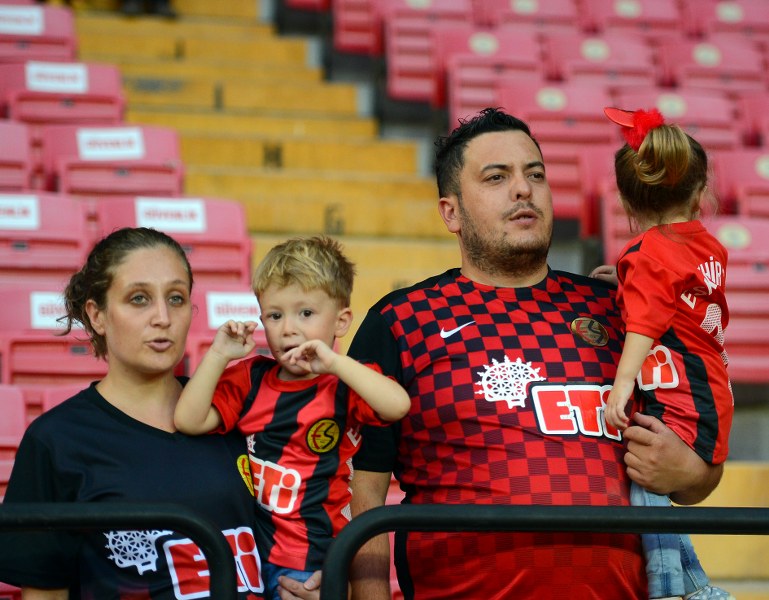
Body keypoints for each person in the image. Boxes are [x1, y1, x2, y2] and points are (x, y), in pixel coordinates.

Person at [346, 108, 724, 600]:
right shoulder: (400, 321)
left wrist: (689, 471)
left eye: (536, 174)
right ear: (451, 212)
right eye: (496, 177)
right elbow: (364, 493)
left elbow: (700, 462)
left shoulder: (622, 312)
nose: (523, 189)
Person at [0, 227, 320, 600]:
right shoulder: (57, 440)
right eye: (139, 299)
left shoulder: (242, 411)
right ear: (97, 315)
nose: (163, 317)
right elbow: (45, 595)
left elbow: (298, 533)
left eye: (176, 298)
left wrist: (311, 585)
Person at [173, 235, 410, 600]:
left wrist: (336, 363)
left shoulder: (344, 384)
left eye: (306, 314)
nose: (288, 329)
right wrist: (219, 354)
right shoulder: (251, 378)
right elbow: (189, 420)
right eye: (275, 315)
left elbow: (397, 405)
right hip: (248, 554)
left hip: (313, 559)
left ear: (341, 321)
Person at [590, 107, 734, 600]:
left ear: (628, 201)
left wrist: (621, 384)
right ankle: (694, 587)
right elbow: (679, 298)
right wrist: (628, 283)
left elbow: (647, 323)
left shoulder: (648, 256)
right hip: (713, 391)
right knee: (648, 483)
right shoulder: (709, 246)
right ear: (699, 193)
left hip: (681, 396)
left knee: (645, 484)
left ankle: (676, 588)